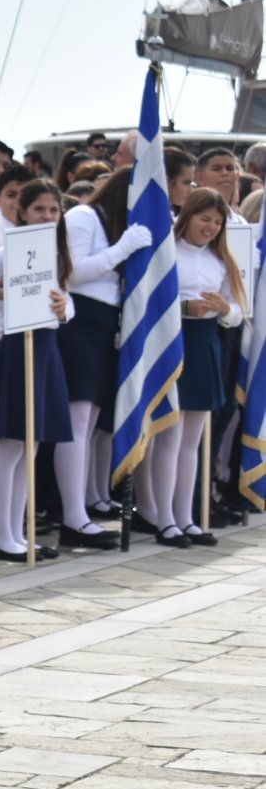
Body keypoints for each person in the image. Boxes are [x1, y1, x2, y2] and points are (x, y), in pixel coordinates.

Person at [0, 180, 75, 561]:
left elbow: (66, 299)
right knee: (10, 445)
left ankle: (18, 533)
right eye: (39, 209)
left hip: (47, 347)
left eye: (54, 210)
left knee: (32, 446)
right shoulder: (10, 250)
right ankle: (2, 535)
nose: (47, 216)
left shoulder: (56, 253)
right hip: (17, 346)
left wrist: (63, 308)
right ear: (22, 211)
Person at [137, 188, 246, 546]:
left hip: (206, 346)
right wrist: (186, 310)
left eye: (217, 222)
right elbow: (148, 302)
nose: (211, 227)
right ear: (188, 217)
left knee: (192, 442)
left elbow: (237, 313)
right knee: (169, 436)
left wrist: (222, 308)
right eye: (204, 219)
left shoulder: (222, 260)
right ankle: (163, 517)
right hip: (173, 345)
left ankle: (186, 517)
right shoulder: (168, 253)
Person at [54, 167, 149, 547]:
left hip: (105, 321)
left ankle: (87, 505)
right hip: (79, 320)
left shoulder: (112, 225)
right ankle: (72, 517)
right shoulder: (83, 216)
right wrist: (124, 247)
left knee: (92, 421)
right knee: (77, 421)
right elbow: (73, 272)